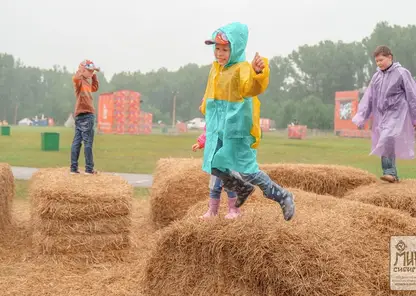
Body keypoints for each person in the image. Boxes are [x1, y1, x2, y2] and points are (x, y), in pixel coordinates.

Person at [200, 22, 295, 221]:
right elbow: (212, 94)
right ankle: (241, 188)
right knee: (214, 164)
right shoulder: (216, 69)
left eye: (225, 49)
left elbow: (249, 87)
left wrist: (257, 73)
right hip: (219, 129)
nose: (220, 53)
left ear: (236, 49)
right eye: (217, 48)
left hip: (237, 128)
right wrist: (206, 113)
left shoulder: (241, 68)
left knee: (248, 171)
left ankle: (282, 195)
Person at [352, 45, 416, 183]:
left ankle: (389, 172)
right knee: (385, 142)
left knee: (387, 138)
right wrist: (361, 117)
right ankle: (392, 175)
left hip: (398, 113)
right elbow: (369, 98)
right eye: (377, 61)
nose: (379, 63)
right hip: (382, 116)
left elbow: (412, 95)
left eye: (381, 60)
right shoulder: (376, 77)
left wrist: (414, 118)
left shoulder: (402, 73)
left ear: (390, 57)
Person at [192, 126, 241, 219]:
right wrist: (201, 142)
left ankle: (234, 210)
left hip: (229, 158)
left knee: (229, 185)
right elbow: (210, 131)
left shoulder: (229, 116)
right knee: (214, 187)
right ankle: (212, 211)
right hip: (217, 159)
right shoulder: (214, 116)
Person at [70, 60, 100, 175]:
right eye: (90, 71)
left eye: (92, 71)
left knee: (77, 141)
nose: (91, 73)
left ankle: (74, 169)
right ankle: (89, 169)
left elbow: (95, 88)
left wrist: (94, 76)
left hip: (80, 114)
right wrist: (80, 70)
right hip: (86, 114)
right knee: (86, 142)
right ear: (82, 70)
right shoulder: (79, 81)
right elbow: (76, 78)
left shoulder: (87, 82)